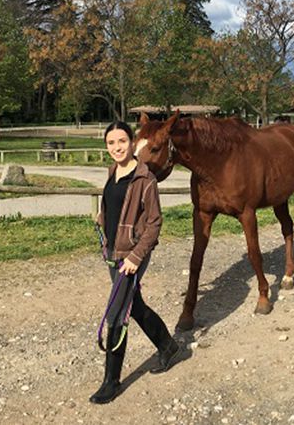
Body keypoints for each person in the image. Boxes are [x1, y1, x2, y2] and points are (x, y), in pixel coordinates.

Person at [90, 121, 180, 405]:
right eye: (111, 143)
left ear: (132, 143)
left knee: (117, 312)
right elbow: (114, 206)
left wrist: (135, 257)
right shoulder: (112, 172)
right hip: (113, 252)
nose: (116, 147)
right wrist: (102, 218)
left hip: (132, 255)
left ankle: (111, 382)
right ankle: (168, 345)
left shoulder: (145, 179)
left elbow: (154, 223)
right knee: (134, 304)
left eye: (121, 141)